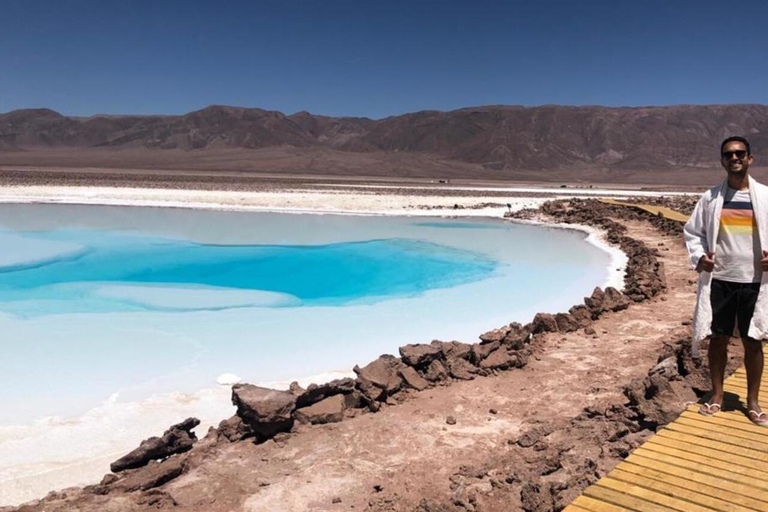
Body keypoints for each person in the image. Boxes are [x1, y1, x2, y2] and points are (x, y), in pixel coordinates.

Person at [684, 136, 768, 426]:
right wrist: (699, 258)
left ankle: (754, 401)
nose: (735, 158)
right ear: (722, 160)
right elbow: (693, 233)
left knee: (753, 341)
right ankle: (717, 394)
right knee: (718, 339)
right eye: (729, 154)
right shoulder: (710, 199)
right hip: (720, 279)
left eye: (740, 153)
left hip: (755, 281)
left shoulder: (766, 198)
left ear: (750, 158)